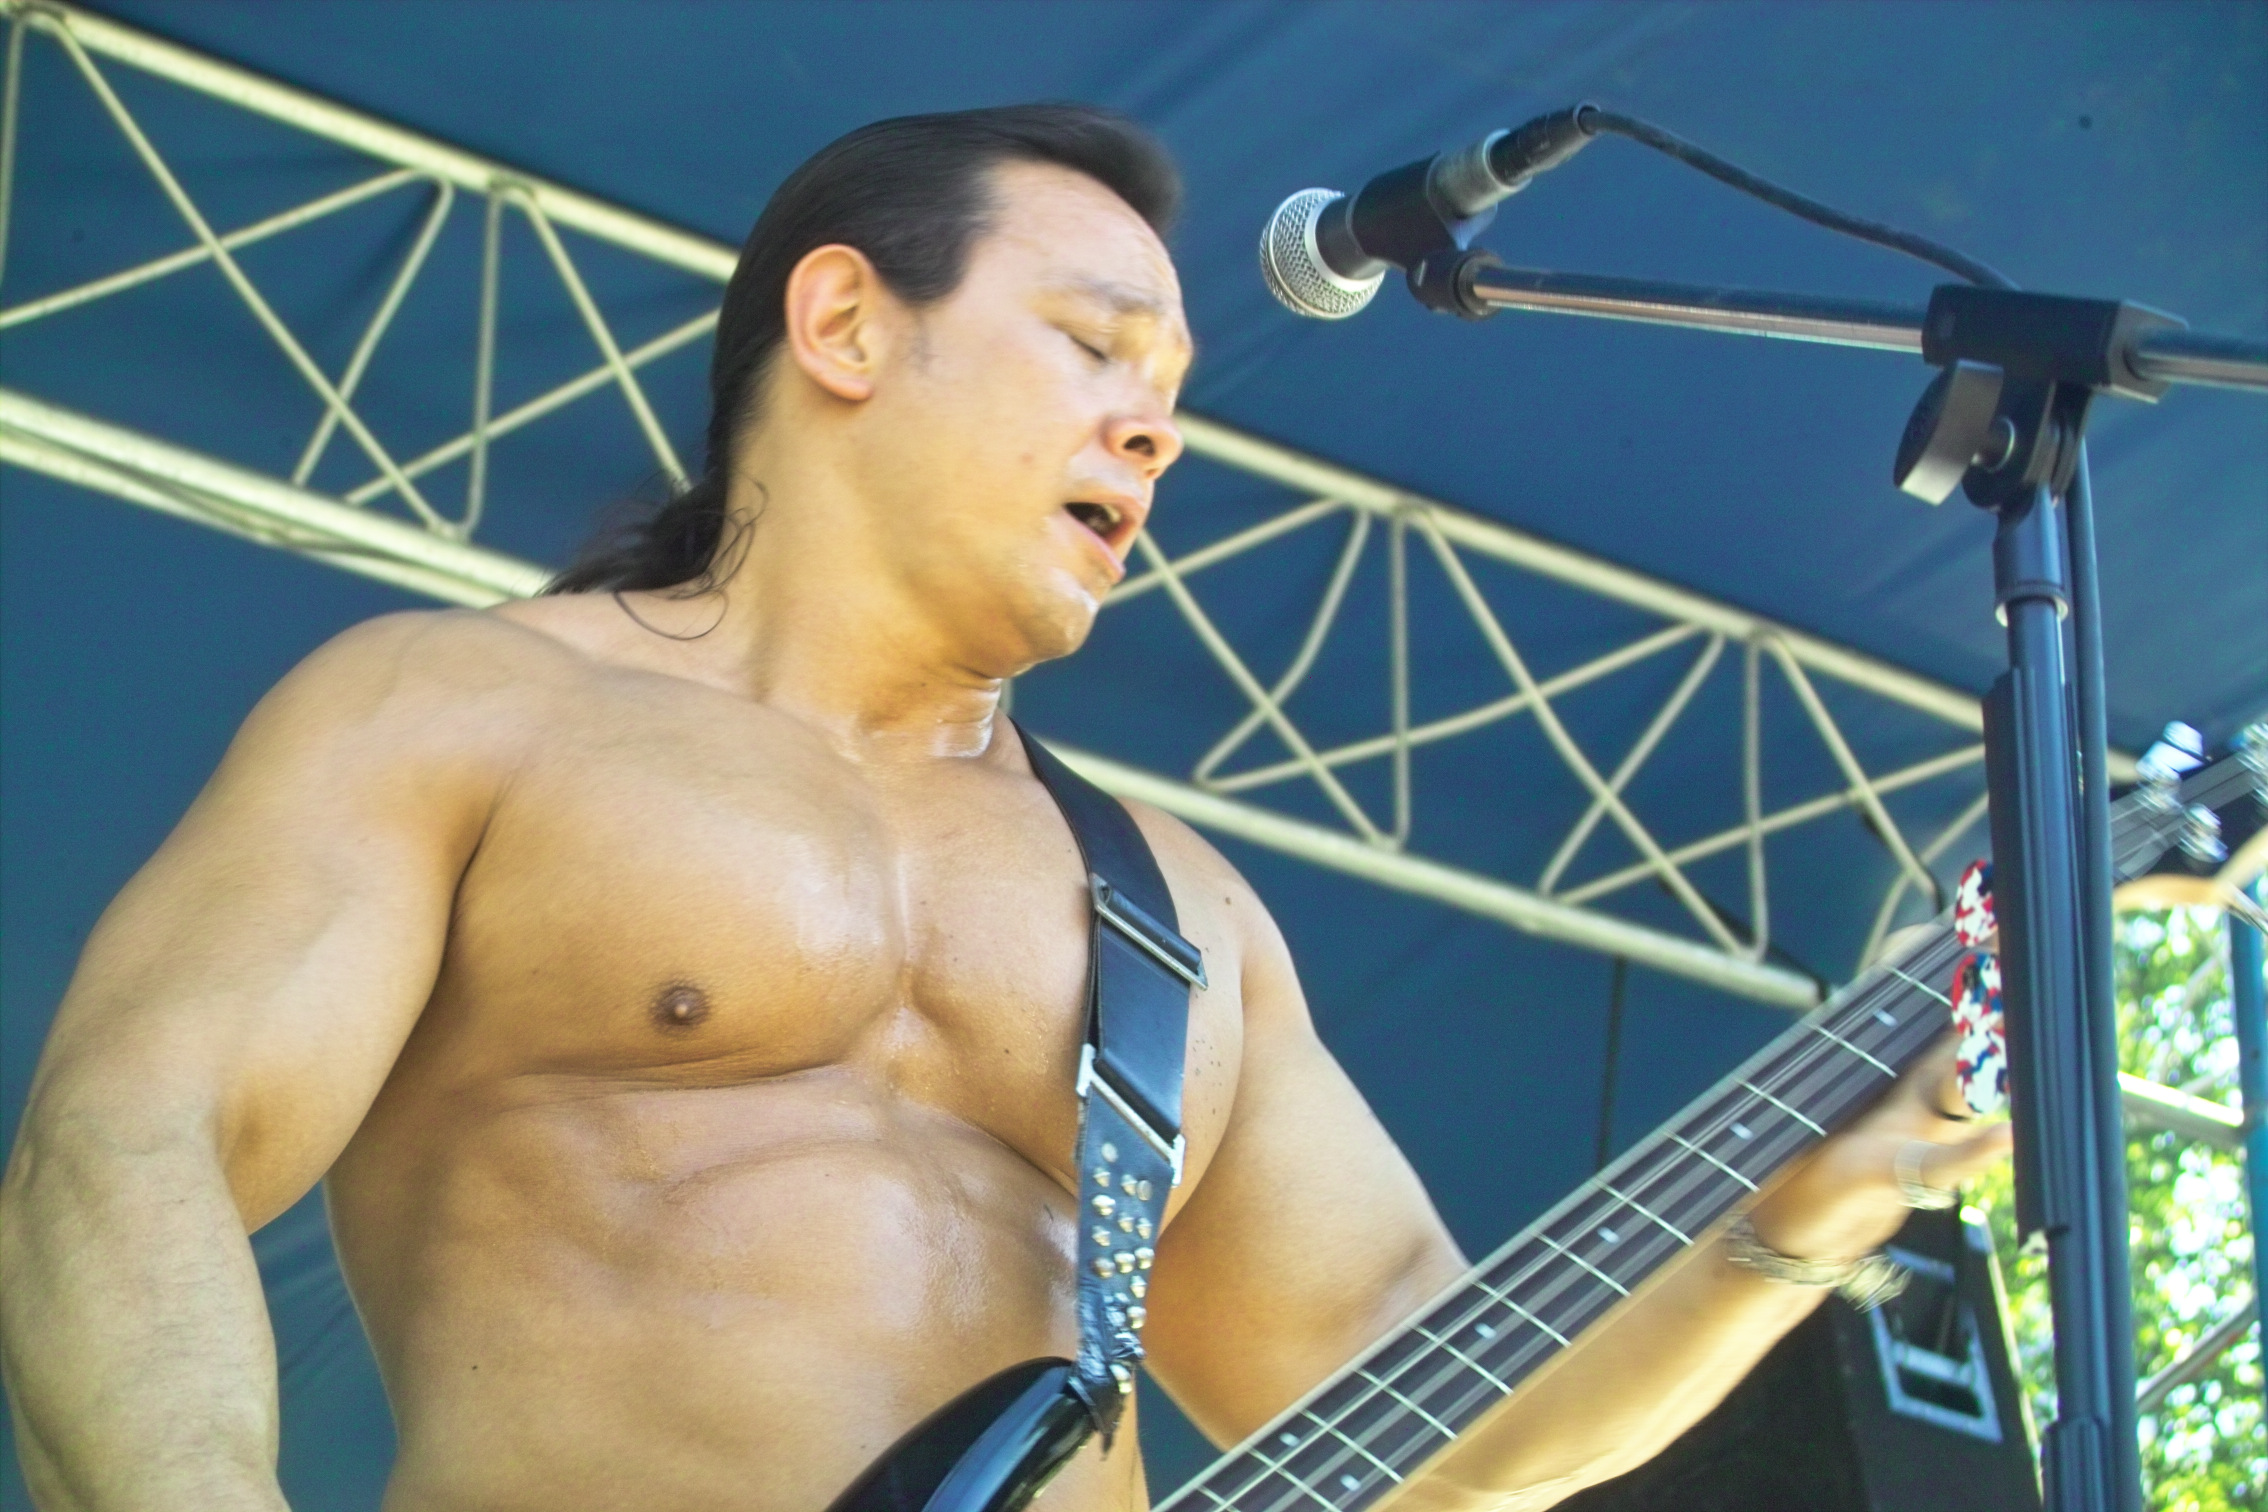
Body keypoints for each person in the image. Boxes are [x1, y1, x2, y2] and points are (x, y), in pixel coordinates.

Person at [0, 105, 2008, 1512]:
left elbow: (1425, 1402)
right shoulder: (462, 710)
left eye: (1175, 391)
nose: (1154, 425)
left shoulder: (1182, 913)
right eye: (1094, 346)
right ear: (845, 326)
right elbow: (131, 1141)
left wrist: (1797, 1223)